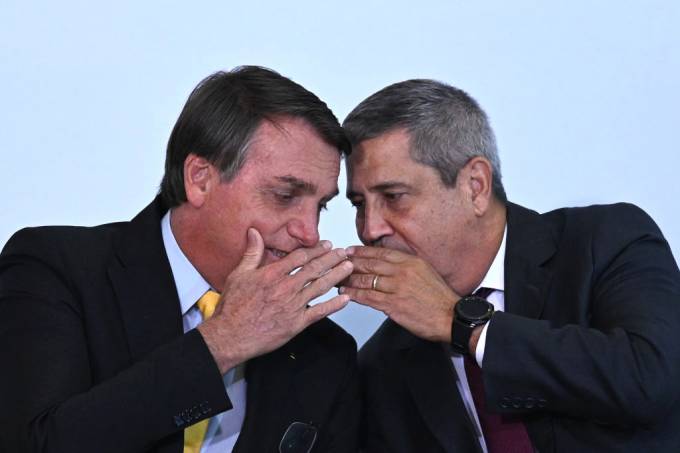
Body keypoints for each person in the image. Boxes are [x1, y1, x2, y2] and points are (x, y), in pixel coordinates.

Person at [0, 66, 359, 452]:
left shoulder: (325, 351)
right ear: (200, 178)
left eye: (321, 205)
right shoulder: (54, 268)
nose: (309, 232)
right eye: (285, 196)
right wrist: (222, 342)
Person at [340, 79, 680, 452]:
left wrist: (462, 325)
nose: (369, 229)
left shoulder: (606, 241)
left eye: (394, 196)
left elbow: (651, 379)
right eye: (359, 204)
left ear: (475, 186)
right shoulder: (383, 362)